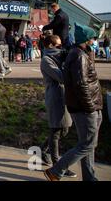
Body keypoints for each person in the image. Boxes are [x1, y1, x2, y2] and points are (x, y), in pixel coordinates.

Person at [44, 23, 103, 181]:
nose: (94, 41)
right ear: (87, 39)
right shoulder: (78, 55)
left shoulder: (83, 53)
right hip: (86, 107)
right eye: (93, 38)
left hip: (89, 105)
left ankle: (89, 177)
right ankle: (56, 170)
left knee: (88, 145)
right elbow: (81, 84)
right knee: (87, 144)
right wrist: (90, 107)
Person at [39, 35, 76, 178]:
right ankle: (58, 165)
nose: (60, 48)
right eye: (58, 46)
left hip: (65, 96)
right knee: (56, 131)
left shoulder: (60, 57)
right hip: (55, 97)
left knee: (65, 130)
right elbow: (61, 76)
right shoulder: (46, 60)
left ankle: (43, 149)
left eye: (61, 46)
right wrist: (67, 63)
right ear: (49, 46)